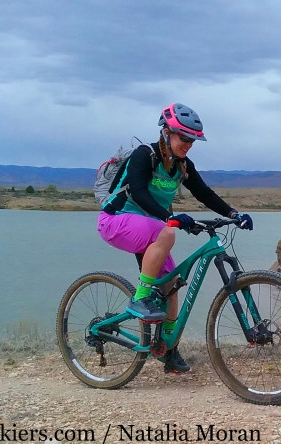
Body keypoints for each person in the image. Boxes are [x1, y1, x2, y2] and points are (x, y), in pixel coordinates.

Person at [97, 103, 253, 373]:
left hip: (151, 230)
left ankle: (168, 350)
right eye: (184, 137)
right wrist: (170, 217)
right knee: (166, 231)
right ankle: (140, 298)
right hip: (115, 220)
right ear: (167, 132)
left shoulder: (182, 165)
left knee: (171, 287)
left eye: (193, 139)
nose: (189, 144)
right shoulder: (144, 155)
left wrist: (233, 213)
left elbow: (203, 192)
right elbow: (138, 191)